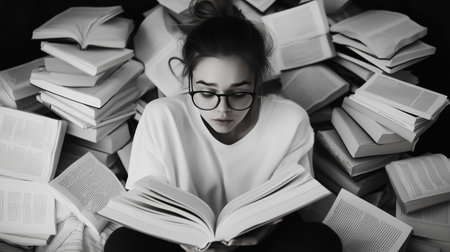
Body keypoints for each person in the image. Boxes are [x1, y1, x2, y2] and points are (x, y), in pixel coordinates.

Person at [105, 0, 342, 251]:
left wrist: (263, 231)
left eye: (238, 94)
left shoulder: (291, 120)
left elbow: (289, 202)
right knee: (123, 243)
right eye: (207, 93)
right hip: (183, 245)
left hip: (254, 243)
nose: (222, 110)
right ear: (186, 78)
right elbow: (148, 206)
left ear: (257, 81)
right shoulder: (161, 117)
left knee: (321, 240)